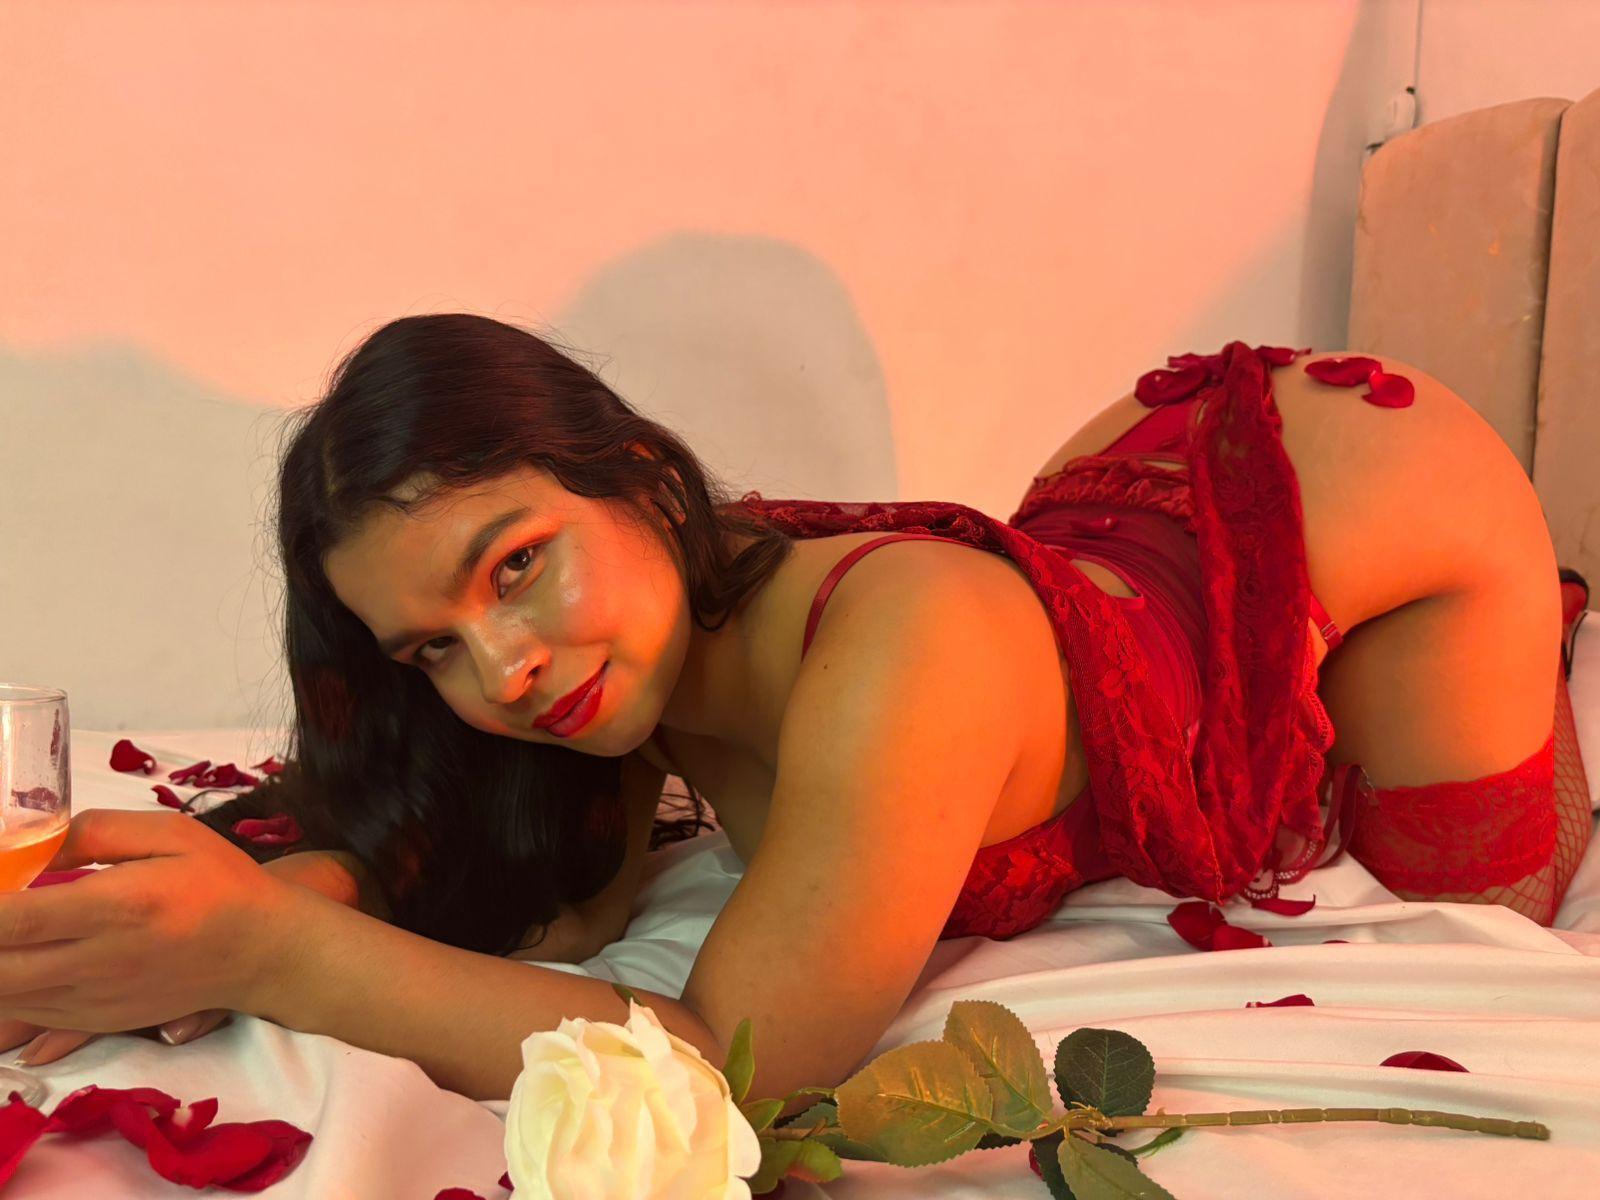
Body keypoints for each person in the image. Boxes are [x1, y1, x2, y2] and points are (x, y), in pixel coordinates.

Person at [5, 314, 1589, 1083]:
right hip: (1121, 518)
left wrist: (272, 948)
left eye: (516, 565)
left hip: (1386, 487)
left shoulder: (912, 651)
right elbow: (496, 873)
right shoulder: (639, 640)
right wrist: (273, 894)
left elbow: (728, 1061)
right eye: (430, 650)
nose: (504, 670)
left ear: (640, 476)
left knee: (1482, 890)